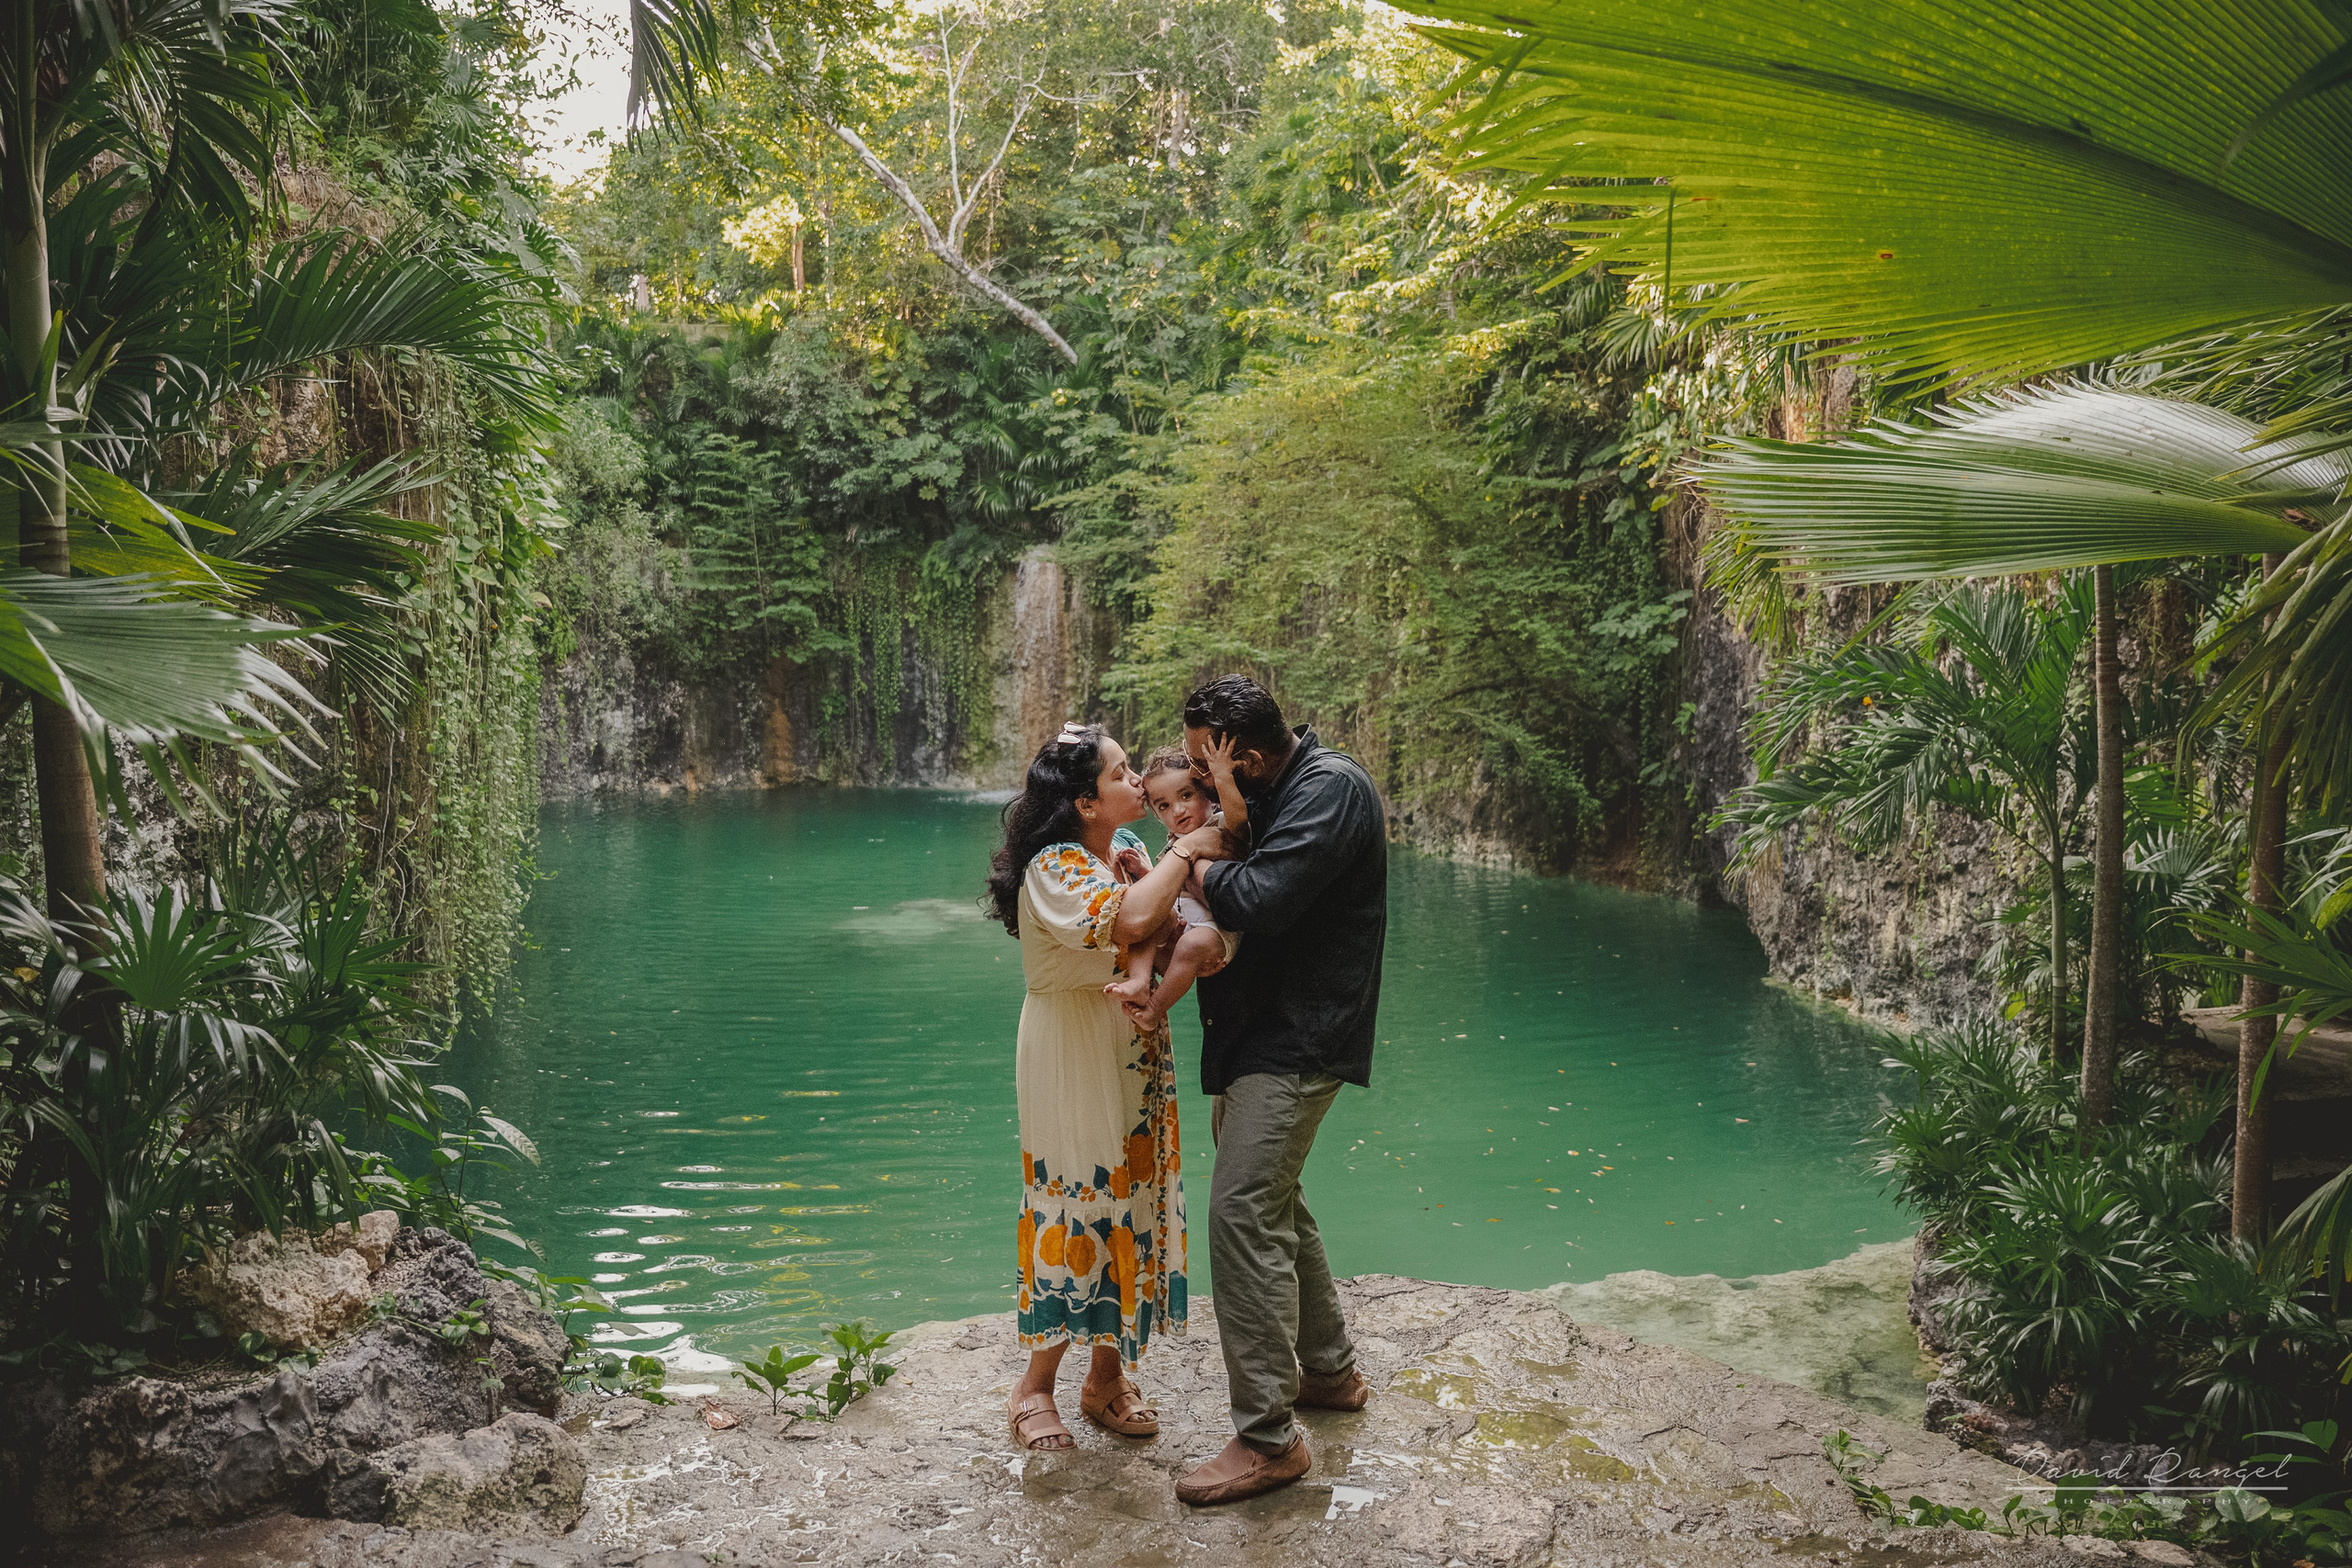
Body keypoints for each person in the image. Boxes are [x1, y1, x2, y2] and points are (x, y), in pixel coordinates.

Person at [1163, 674, 1388, 1507]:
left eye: (1205, 764)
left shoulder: (1330, 791)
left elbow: (1261, 896)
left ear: (1245, 757)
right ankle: (1327, 1373)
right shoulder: (1282, 789)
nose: (1193, 782)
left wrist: (1188, 858)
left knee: (1240, 1211)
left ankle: (1268, 1441)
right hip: (1262, 1033)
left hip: (1299, 1038)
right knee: (1276, 1200)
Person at [982, 721, 1228, 1451]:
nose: (1136, 786)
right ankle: (1033, 1388)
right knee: (1079, 1200)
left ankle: (1106, 1377)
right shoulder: (1054, 865)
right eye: (1122, 774)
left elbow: (1166, 924)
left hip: (1130, 1045)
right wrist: (1188, 848)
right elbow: (1129, 918)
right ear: (1087, 801)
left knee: (1133, 1198)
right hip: (1072, 1049)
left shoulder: (1124, 851)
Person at [1103, 739, 1248, 1032]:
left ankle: (1155, 1009)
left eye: (1187, 795)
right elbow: (1168, 893)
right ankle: (1140, 983)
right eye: (1164, 806)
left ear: (1210, 796)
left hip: (1216, 934)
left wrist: (1222, 777)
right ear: (1156, 815)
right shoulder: (1173, 844)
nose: (1178, 810)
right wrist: (1144, 871)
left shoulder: (1220, 826)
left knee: (1190, 946)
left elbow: (1240, 823)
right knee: (1147, 920)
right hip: (1181, 927)